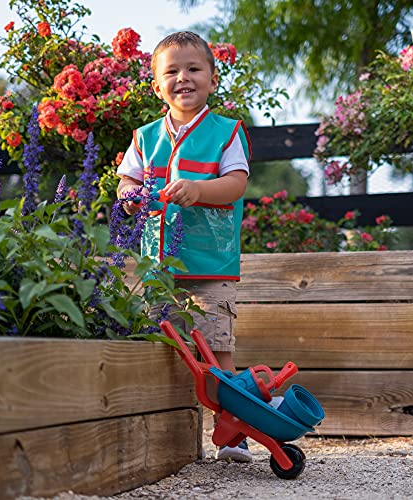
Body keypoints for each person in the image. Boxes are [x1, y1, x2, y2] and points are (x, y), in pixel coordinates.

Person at [116, 31, 252, 462]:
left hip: (210, 267)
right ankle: (165, 439)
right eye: (171, 71)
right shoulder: (145, 136)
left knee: (217, 351)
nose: (183, 78)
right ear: (156, 85)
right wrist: (128, 195)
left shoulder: (226, 132)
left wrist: (199, 189)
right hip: (158, 270)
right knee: (161, 352)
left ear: (212, 79)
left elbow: (235, 183)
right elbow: (127, 182)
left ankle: (233, 436)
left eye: (194, 69)